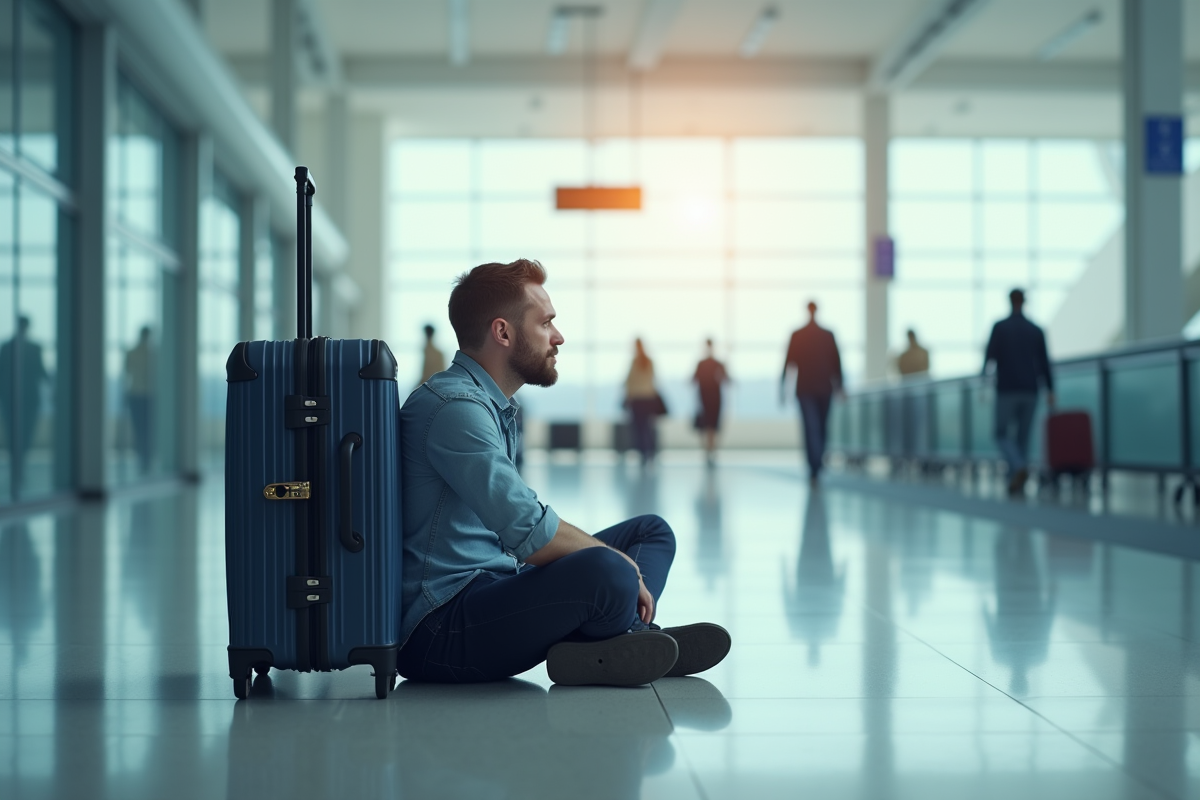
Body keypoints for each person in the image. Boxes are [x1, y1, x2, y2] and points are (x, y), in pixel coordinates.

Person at [398, 259, 730, 687]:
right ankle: (629, 636)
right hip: (442, 629)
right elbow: (527, 531)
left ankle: (618, 642)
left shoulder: (485, 404)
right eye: (546, 323)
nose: (559, 337)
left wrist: (618, 562)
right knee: (610, 572)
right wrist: (619, 566)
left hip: (493, 584)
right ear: (503, 332)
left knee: (651, 531)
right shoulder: (454, 409)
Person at [983, 288, 1055, 496]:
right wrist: (1050, 389)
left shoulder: (1000, 327)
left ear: (1009, 301)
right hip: (1031, 390)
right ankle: (1017, 479)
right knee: (1023, 437)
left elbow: (990, 357)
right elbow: (1044, 363)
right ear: (1025, 302)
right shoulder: (1035, 329)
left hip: (1006, 388)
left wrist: (983, 379)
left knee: (1000, 433)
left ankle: (1017, 466)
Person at [780, 301, 843, 485]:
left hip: (809, 388)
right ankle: (816, 465)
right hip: (820, 388)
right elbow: (837, 364)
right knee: (818, 427)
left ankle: (815, 465)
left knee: (813, 427)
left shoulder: (799, 335)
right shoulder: (825, 335)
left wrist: (783, 388)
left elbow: (788, 364)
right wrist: (840, 386)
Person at [0, 317, 46, 497]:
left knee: (23, 434)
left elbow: (41, 372)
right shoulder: (9, 347)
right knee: (16, 433)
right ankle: (17, 467)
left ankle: (19, 467)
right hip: (12, 398)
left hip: (24, 399)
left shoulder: (11, 347)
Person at [624, 338, 662, 466]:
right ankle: (650, 453)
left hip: (638, 400)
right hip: (649, 399)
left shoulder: (635, 362)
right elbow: (653, 380)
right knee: (648, 427)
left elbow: (629, 382)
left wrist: (629, 397)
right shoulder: (649, 362)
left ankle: (643, 454)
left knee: (639, 428)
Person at [692, 339, 729, 465]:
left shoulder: (708, 363)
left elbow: (693, 380)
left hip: (710, 398)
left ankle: (710, 450)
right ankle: (710, 450)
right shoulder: (711, 363)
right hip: (708, 398)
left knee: (710, 425)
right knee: (710, 425)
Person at [125, 326, 155, 475]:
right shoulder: (152, 354)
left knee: (138, 428)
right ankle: (146, 458)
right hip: (147, 395)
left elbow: (127, 374)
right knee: (147, 428)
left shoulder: (131, 352)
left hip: (134, 394)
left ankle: (141, 458)